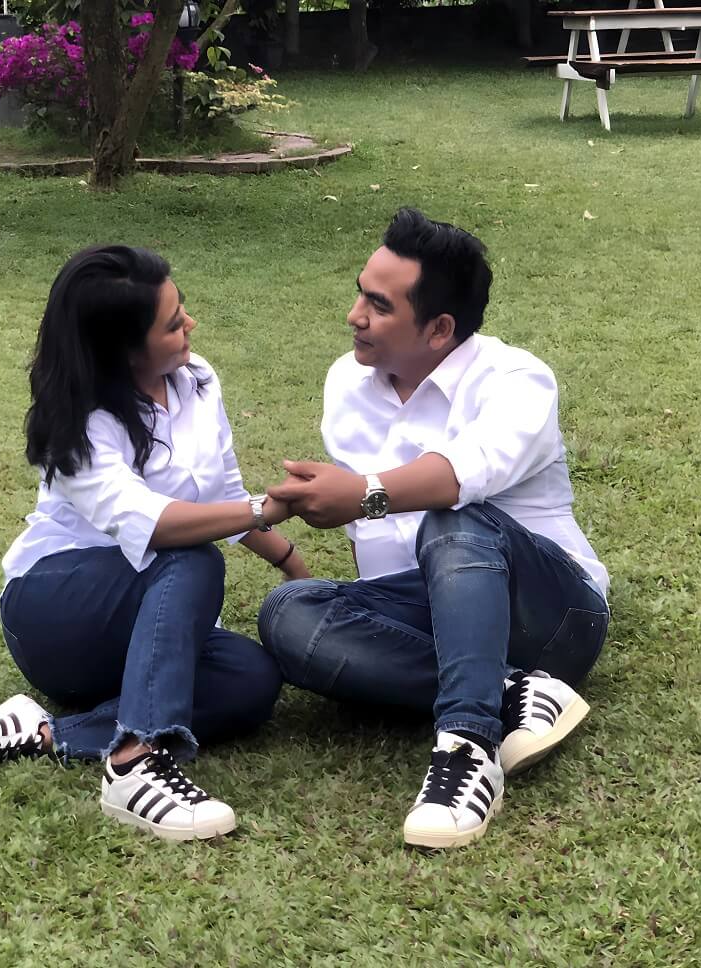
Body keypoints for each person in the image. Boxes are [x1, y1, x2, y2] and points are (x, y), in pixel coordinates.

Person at [258, 208, 610, 850]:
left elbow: (460, 474)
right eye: (360, 293)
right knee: (289, 614)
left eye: (378, 305)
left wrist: (362, 494)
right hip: (428, 609)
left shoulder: (517, 380)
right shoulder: (348, 382)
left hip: (549, 615)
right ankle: (514, 689)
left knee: (454, 517)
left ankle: (467, 746)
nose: (354, 316)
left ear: (440, 328)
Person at [0, 244, 309, 843]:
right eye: (173, 324)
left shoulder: (197, 379)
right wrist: (264, 509)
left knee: (251, 679)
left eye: (182, 310)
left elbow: (224, 495)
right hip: (56, 615)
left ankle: (43, 732)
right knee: (190, 558)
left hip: (143, 630)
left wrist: (294, 565)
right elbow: (156, 525)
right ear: (123, 350)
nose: (190, 325)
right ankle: (136, 763)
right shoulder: (78, 426)